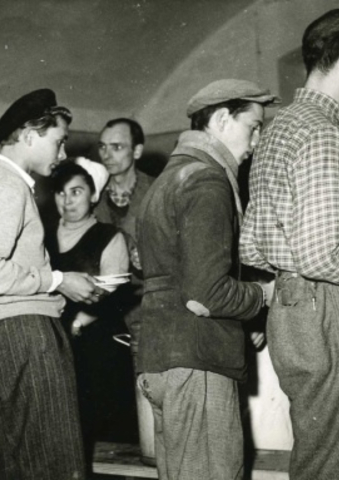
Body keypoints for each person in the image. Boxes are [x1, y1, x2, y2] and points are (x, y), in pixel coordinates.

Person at [0, 89, 104, 480]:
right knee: (55, 464)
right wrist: (57, 280)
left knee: (20, 464)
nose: (63, 151)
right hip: (23, 336)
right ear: (30, 135)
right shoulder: (5, 186)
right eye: (59, 140)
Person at [135, 79, 278, 480]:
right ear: (220, 119)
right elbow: (207, 294)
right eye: (253, 126)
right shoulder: (207, 180)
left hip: (163, 360)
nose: (257, 139)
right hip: (198, 361)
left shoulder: (169, 178)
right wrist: (264, 295)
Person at [240, 10, 339, 480]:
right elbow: (322, 254)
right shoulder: (323, 132)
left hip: (290, 304)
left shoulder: (277, 129)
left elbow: (251, 248)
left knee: (317, 445)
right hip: (327, 306)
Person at [46, 157, 135, 465]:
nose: (67, 200)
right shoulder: (41, 238)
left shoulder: (109, 237)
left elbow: (115, 292)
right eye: (61, 193)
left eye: (76, 192)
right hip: (52, 343)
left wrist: (82, 319)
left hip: (99, 346)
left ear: (94, 196)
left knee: (104, 438)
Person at [95, 118, 154, 356]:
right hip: (103, 314)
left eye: (116, 147)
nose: (107, 155)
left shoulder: (159, 191)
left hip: (148, 312)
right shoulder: (90, 194)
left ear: (137, 151)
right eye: (102, 146)